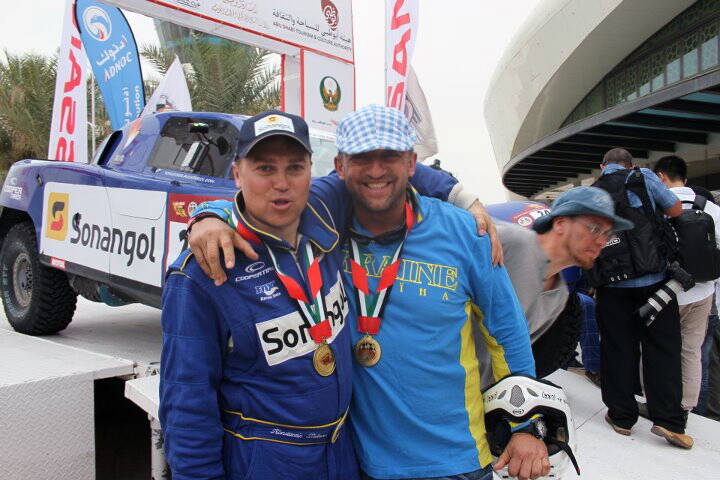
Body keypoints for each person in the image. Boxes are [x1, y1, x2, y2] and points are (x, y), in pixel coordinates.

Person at [188, 105, 551, 480]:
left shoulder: (465, 232)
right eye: (362, 158)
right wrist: (210, 215)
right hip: (357, 461)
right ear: (341, 167)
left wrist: (525, 425)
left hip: (455, 462)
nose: (376, 170)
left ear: (411, 163)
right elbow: (258, 201)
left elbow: (506, 333)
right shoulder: (326, 228)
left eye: (389, 156)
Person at [477, 186, 633, 387]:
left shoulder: (559, 295)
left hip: (474, 393)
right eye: (595, 228)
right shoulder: (511, 241)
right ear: (560, 223)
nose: (602, 241)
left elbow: (513, 352)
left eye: (607, 234)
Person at [588, 148, 690, 449]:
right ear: (630, 164)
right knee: (663, 349)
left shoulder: (592, 192)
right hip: (654, 281)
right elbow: (675, 210)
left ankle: (621, 417)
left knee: (617, 349)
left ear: (602, 166)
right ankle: (668, 420)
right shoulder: (643, 177)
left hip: (611, 286)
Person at [653, 155, 720, 417]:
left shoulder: (657, 205)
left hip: (665, 293)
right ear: (685, 177)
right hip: (703, 293)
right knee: (691, 352)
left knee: (660, 350)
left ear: (661, 177)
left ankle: (658, 404)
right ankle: (686, 408)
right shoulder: (710, 208)